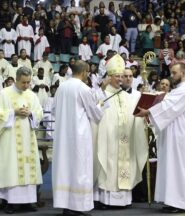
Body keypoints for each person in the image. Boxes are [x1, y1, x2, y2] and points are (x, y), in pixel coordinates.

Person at [135, 63, 185, 213]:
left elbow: (168, 107)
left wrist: (148, 112)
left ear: (184, 73)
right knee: (171, 167)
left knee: (178, 168)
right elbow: (167, 105)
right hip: (173, 134)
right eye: (172, 73)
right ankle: (172, 200)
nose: (172, 76)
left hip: (180, 137)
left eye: (174, 73)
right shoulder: (178, 91)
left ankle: (179, 202)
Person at [94, 55, 147, 209]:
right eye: (116, 76)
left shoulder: (126, 96)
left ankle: (124, 200)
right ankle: (107, 200)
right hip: (109, 141)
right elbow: (96, 115)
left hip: (126, 139)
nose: (120, 79)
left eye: (121, 76)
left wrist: (142, 119)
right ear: (109, 77)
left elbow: (134, 116)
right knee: (109, 166)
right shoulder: (102, 95)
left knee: (126, 165)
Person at [52, 60, 105, 216]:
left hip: (63, 135)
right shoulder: (84, 88)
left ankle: (66, 205)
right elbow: (95, 115)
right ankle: (78, 205)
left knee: (65, 168)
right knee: (80, 168)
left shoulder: (61, 87)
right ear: (84, 72)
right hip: (79, 136)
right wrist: (100, 105)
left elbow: (54, 110)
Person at [0, 67, 43, 214]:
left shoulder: (31, 95)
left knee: (28, 166)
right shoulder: (4, 94)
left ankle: (27, 202)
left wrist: (31, 113)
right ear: (16, 79)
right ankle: (11, 202)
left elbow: (39, 112)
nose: (26, 86)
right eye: (23, 83)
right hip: (10, 137)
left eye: (28, 82)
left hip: (28, 137)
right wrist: (13, 112)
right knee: (12, 167)